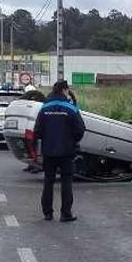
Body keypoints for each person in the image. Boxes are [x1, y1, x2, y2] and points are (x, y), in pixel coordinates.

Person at [33, 80, 85, 222]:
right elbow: (80, 129)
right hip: (66, 152)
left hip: (48, 151)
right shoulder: (71, 108)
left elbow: (36, 131)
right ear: (64, 90)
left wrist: (38, 148)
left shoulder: (44, 108)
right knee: (66, 182)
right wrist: (73, 141)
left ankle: (47, 213)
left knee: (48, 182)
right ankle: (65, 213)